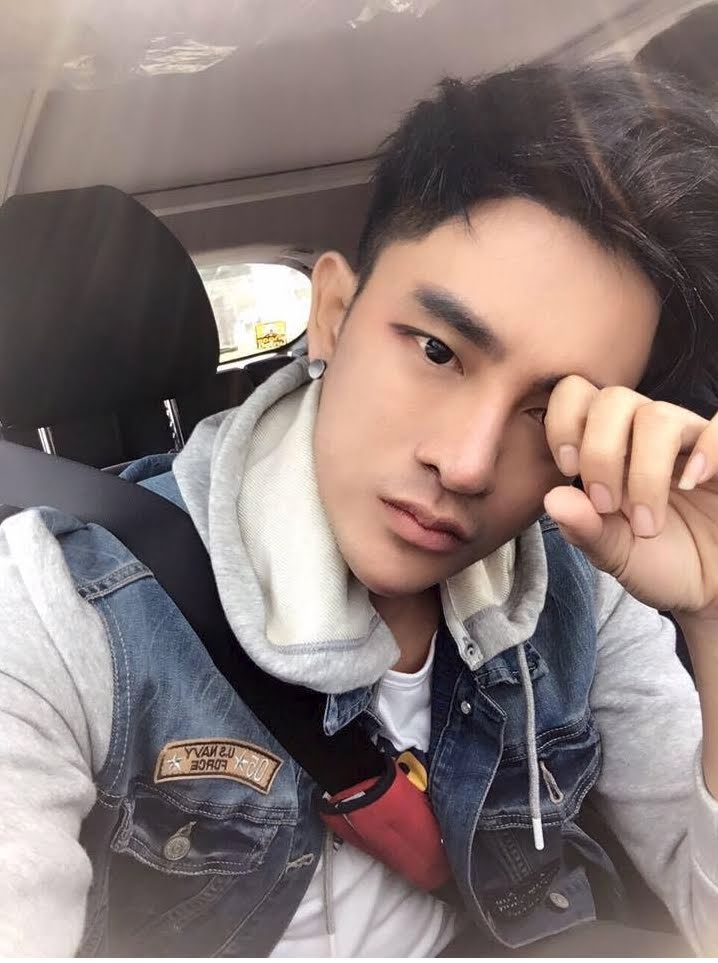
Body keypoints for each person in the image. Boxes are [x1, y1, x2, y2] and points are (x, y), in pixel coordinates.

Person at [2, 59, 718, 958]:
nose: (466, 463)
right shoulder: (54, 608)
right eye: (436, 350)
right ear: (334, 313)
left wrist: (713, 616)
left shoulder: (580, 579)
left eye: (549, 412)